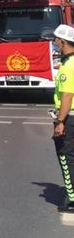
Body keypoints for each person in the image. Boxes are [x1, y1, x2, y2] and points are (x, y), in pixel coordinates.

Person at [52, 24, 74, 212]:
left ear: (63, 41)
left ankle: (72, 198)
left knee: (66, 157)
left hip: (70, 118)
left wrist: (60, 121)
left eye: (56, 40)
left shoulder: (69, 65)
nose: (55, 43)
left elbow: (67, 95)